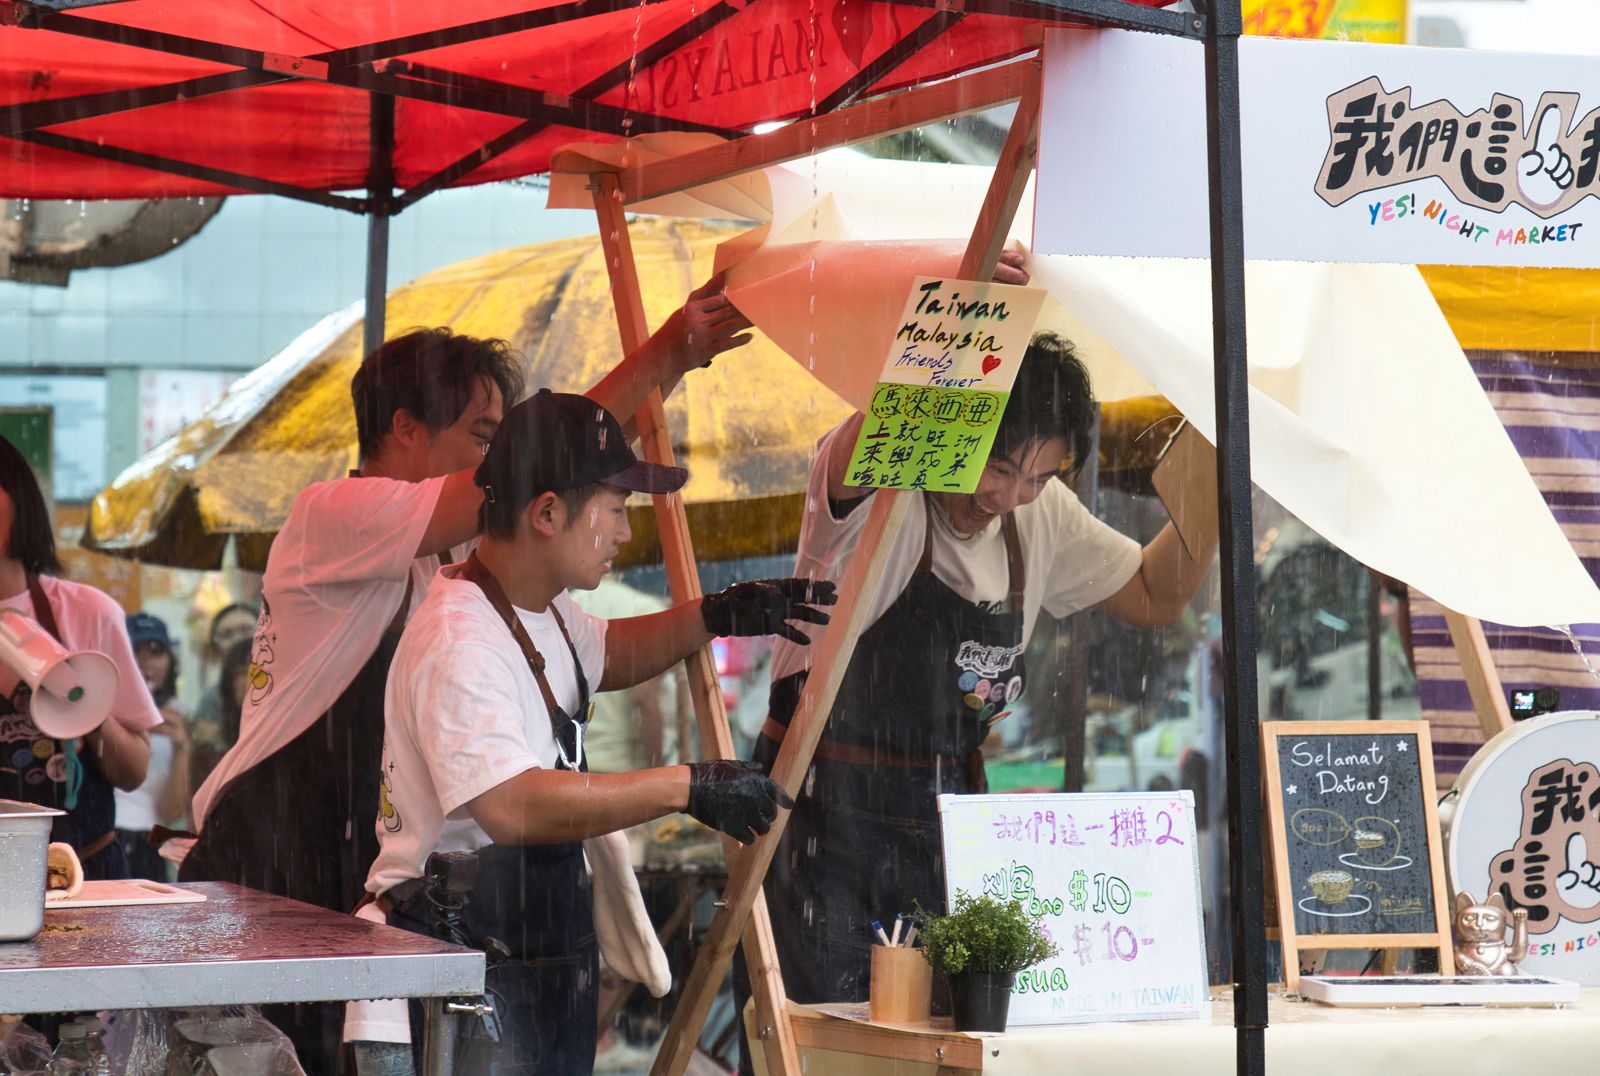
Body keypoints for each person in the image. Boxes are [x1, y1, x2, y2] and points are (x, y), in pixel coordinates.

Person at [180, 280, 750, 1071]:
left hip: (359, 858)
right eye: (483, 435)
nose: (495, 461)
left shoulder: (461, 566)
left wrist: (715, 614)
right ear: (405, 429)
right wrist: (661, 357)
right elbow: (535, 466)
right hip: (268, 856)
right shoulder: (334, 513)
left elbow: (599, 636)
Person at [354, 390, 832, 1072]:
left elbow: (608, 653)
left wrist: (718, 614)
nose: (625, 534)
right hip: (454, 952)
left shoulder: (540, 608)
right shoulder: (460, 635)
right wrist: (685, 786)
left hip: (539, 943)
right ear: (547, 513)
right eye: (615, 511)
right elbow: (511, 804)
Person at [747, 331, 1220, 1017]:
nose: (1009, 496)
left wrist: (1216, 471)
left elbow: (1155, 595)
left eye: (1038, 477)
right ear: (952, 423)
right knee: (828, 1042)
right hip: (819, 819)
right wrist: (963, 330)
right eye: (997, 468)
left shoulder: (1042, 517)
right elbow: (885, 424)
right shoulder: (880, 490)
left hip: (946, 824)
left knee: (950, 1040)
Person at [0, 436, 160, 880]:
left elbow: (133, 772)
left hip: (87, 880)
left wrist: (87, 711)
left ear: (21, 502)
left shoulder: (87, 612)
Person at [114, 612, 192, 879]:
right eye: (134, 650)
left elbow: (172, 812)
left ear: (171, 662)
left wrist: (182, 749)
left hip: (149, 845)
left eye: (156, 652)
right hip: (103, 838)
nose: (144, 663)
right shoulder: (101, 707)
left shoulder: (180, 717)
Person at [189, 602, 257, 750]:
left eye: (246, 630)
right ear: (216, 648)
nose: (237, 639)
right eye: (227, 634)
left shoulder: (282, 686)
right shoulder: (211, 701)